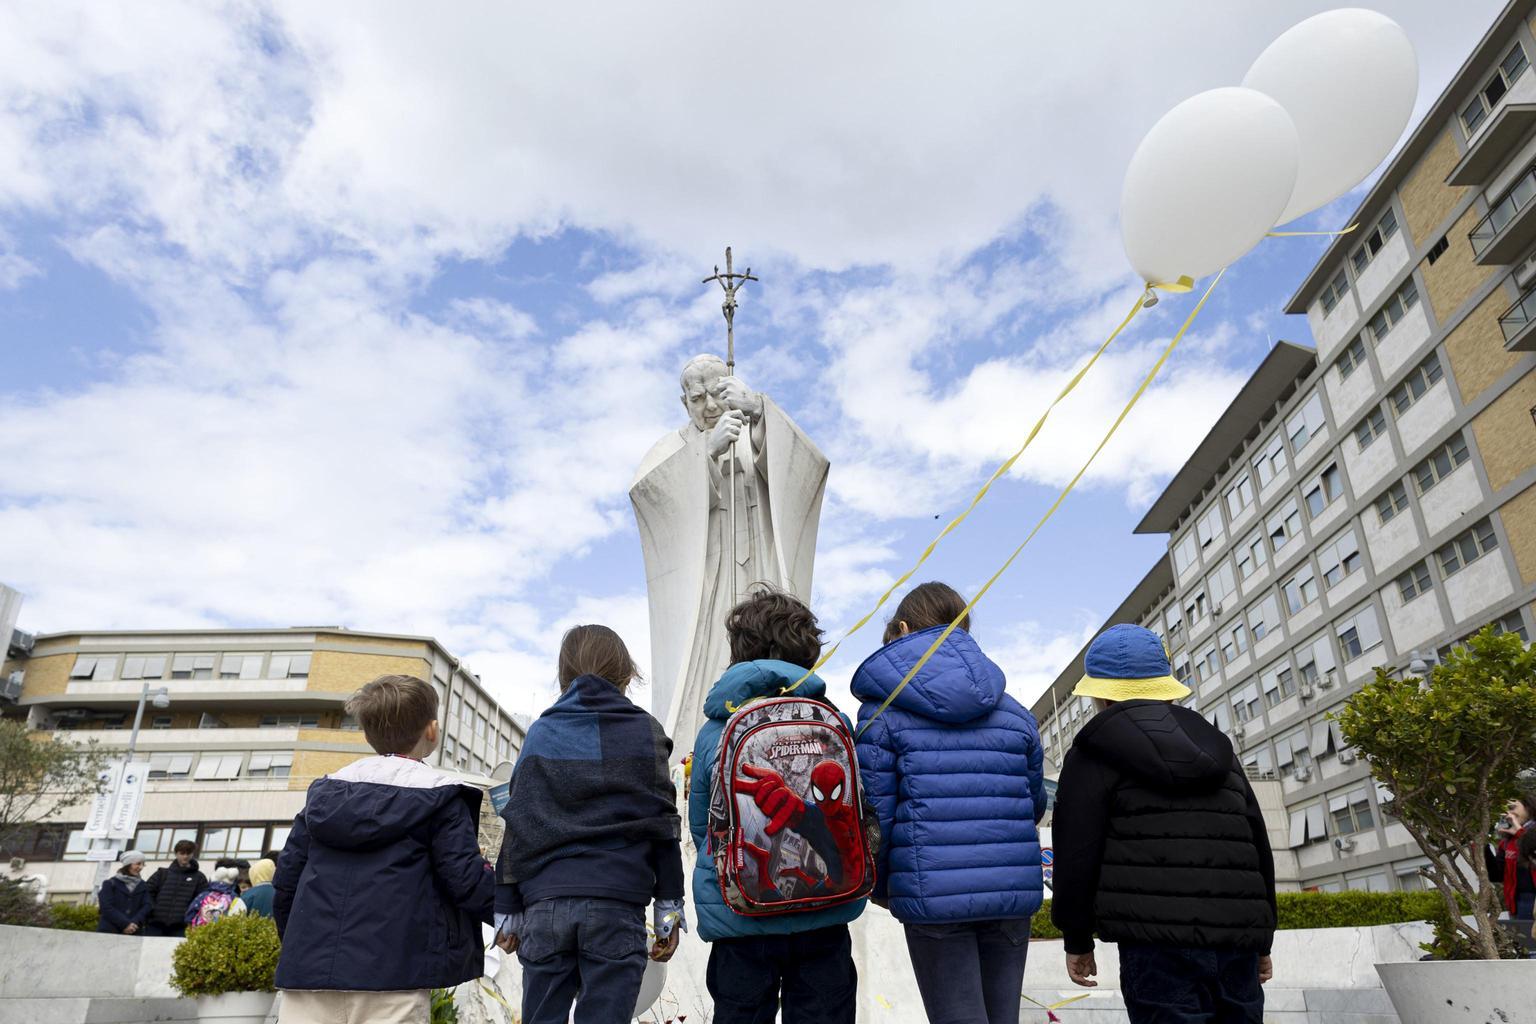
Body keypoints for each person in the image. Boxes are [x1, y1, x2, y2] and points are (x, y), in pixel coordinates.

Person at [1052, 624, 1276, 1023]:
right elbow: (1257, 843)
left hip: (1152, 947)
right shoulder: (1216, 747)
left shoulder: (1092, 752)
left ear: (1101, 694)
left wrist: (1078, 938)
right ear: (1164, 686)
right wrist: (1262, 940)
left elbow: (1076, 852)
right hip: (1235, 942)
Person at [851, 582, 1046, 1024]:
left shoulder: (882, 714)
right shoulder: (1015, 713)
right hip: (1011, 895)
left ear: (902, 629)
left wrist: (883, 888)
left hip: (931, 895)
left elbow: (874, 819)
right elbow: (1033, 804)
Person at [272, 674, 494, 1024]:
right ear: (432, 730)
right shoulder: (440, 797)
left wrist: (301, 947)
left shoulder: (323, 795)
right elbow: (465, 879)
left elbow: (286, 881)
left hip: (309, 973)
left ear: (367, 732)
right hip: (395, 973)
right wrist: (516, 914)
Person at [493, 625, 686, 1024]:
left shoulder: (542, 733)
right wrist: (667, 913)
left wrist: (507, 908)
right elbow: (663, 825)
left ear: (563, 675)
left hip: (545, 905)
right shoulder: (644, 732)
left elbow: (518, 822)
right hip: (616, 904)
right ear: (627, 674)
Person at [690, 589, 866, 1024]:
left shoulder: (716, 729)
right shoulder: (832, 719)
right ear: (807, 648)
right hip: (825, 909)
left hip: (742, 916)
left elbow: (703, 826)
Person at [1486, 791, 1536, 922]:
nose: (1509, 814)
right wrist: (1482, 846)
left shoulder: (1527, 834)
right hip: (1516, 902)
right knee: (1525, 940)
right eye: (1506, 810)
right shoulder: (1507, 842)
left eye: (1512, 808)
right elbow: (1496, 875)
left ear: (1529, 807)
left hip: (1532, 899)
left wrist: (1520, 833)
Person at [144, 839, 206, 937]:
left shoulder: (199, 877)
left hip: (182, 927)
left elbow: (202, 901)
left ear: (192, 854)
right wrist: (152, 910)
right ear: (176, 854)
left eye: (188, 853)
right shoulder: (162, 873)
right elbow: (147, 893)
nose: (185, 856)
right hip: (155, 925)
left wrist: (190, 918)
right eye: (182, 853)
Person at [97, 849, 151, 936]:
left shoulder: (143, 885)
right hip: (110, 931)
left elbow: (147, 906)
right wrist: (125, 924)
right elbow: (106, 907)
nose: (140, 867)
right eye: (138, 864)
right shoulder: (109, 883)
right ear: (128, 864)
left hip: (134, 932)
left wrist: (134, 923)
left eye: (142, 864)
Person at [186, 864, 247, 928]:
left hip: (201, 933)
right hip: (223, 934)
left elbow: (190, 914)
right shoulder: (235, 898)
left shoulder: (203, 895)